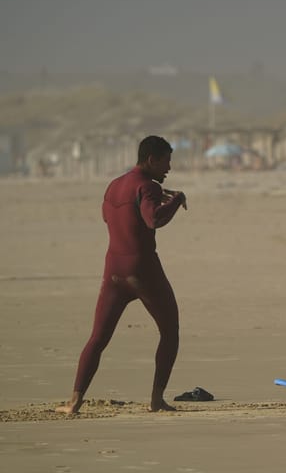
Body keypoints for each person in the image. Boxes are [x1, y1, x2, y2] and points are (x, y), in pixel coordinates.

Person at [56, 136, 188, 414]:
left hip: (114, 271)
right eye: (166, 162)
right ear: (151, 160)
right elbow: (153, 219)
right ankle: (156, 400)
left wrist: (150, 200)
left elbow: (110, 217)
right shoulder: (148, 186)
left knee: (97, 338)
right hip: (143, 270)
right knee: (170, 332)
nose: (169, 168)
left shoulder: (114, 185)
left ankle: (74, 402)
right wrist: (177, 200)